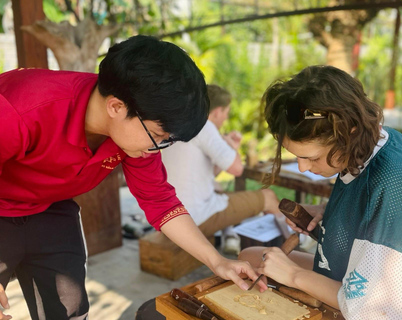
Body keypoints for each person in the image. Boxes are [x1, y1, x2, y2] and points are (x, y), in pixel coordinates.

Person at [0, 35, 266, 320]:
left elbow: (161, 203)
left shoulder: (137, 132)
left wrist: (217, 261)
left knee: (70, 310)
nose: (158, 147)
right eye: (159, 136)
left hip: (51, 206)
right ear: (116, 107)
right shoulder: (20, 109)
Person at [239, 65, 402, 319]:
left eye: (312, 157)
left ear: (348, 134)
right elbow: (363, 210)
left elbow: (371, 310)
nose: (302, 166)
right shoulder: (379, 139)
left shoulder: (391, 189)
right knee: (250, 258)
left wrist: (293, 275)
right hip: (349, 267)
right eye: (296, 156)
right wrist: (326, 212)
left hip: (370, 303)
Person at [161, 84, 282, 255]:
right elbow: (237, 169)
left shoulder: (179, 123)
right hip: (192, 219)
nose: (225, 118)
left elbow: (210, 174)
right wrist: (233, 147)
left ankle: (230, 236)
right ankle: (298, 240)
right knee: (269, 197)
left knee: (219, 189)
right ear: (217, 112)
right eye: (226, 113)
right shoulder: (204, 126)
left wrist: (226, 145)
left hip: (170, 215)